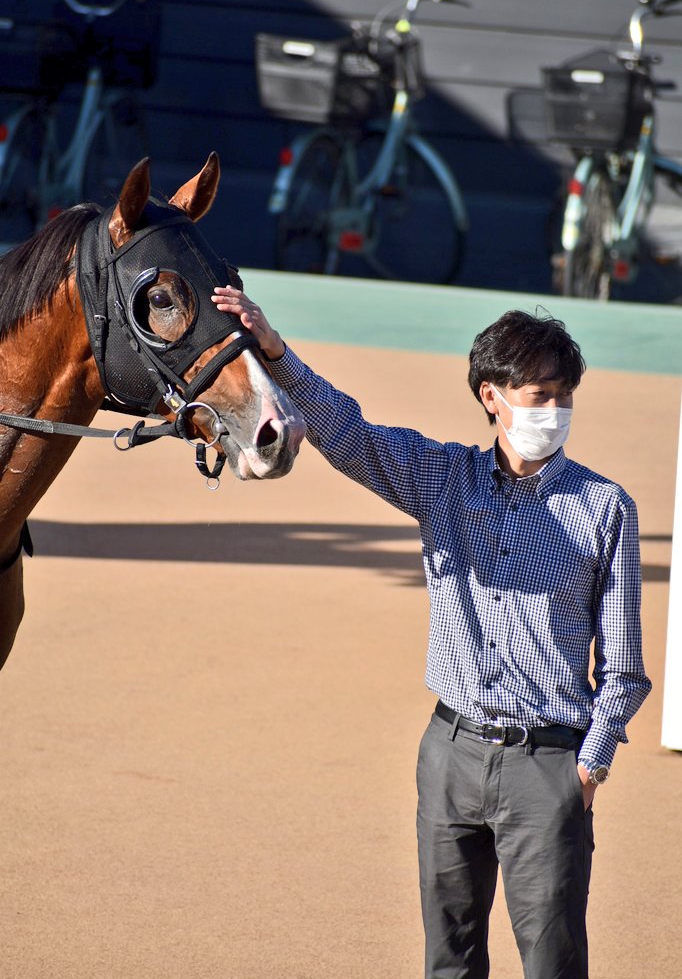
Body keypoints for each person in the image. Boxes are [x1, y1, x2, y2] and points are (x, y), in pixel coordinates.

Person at [211, 286, 651, 979]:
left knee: (554, 963)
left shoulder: (605, 508)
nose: (554, 412)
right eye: (538, 395)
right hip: (450, 754)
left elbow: (623, 669)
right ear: (491, 396)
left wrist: (588, 767)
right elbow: (345, 430)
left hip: (550, 767)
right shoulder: (441, 478)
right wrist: (273, 349)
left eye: (564, 396)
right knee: (449, 960)